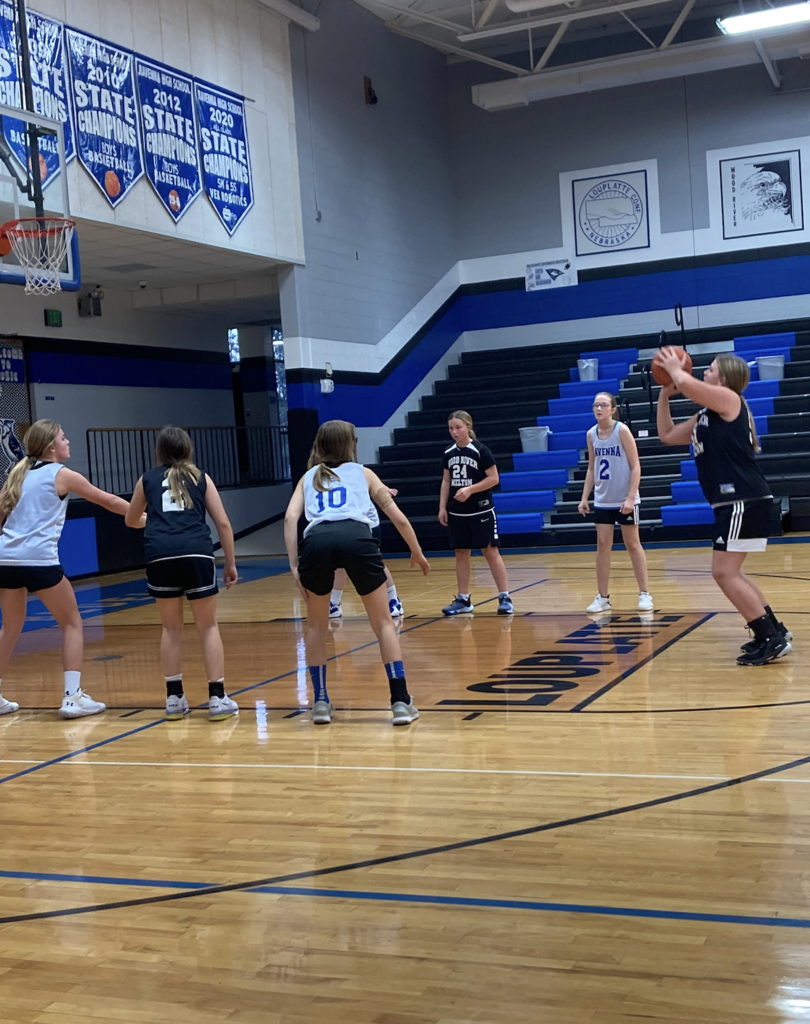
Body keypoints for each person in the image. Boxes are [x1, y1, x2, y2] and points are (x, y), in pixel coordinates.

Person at [284, 419, 430, 726]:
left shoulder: (308, 477)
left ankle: (321, 702)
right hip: (357, 539)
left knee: (316, 628)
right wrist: (416, 551)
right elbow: (399, 518)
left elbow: (289, 519)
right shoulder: (363, 472)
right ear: (351, 444)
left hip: (317, 542)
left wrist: (295, 565)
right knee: (383, 624)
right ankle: (401, 701)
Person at [656, 348, 790, 666]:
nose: (705, 372)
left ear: (724, 378)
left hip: (741, 499)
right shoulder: (706, 414)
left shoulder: (731, 400)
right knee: (731, 572)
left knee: (723, 572)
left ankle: (770, 637)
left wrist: (675, 369)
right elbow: (667, 435)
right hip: (738, 501)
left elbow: (688, 385)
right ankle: (772, 631)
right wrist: (664, 394)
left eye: (711, 369)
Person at [0, 419, 133, 718]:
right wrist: (144, 517)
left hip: (5, 559)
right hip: (39, 560)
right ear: (51, 447)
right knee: (72, 623)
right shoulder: (62, 474)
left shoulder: (16, 475)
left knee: (9, 628)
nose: (67, 441)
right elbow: (108, 500)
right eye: (63, 437)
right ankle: (72, 698)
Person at [125, 426, 240, 720]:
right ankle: (217, 698)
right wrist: (230, 562)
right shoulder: (200, 477)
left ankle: (174, 698)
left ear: (159, 451)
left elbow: (130, 519)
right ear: (187, 449)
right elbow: (223, 524)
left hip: (159, 554)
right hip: (195, 551)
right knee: (208, 626)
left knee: (171, 628)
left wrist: (156, 523)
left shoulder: (147, 479)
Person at [578, 392, 654, 613]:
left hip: (625, 499)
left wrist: (631, 497)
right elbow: (592, 468)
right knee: (603, 546)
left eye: (603, 405)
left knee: (632, 544)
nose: (598, 408)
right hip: (603, 500)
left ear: (612, 409)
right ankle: (603, 597)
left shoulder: (622, 430)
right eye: (595, 405)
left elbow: (636, 465)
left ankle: (645, 594)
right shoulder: (591, 434)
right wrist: (585, 497)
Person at [438, 410, 512, 615]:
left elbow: (494, 478)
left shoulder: (480, 450)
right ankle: (463, 599)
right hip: (457, 512)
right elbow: (446, 481)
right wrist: (442, 507)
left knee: (490, 551)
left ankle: (504, 596)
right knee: (461, 553)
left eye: (458, 427)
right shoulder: (448, 453)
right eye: (451, 428)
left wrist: (470, 489)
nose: (454, 432)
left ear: (468, 427)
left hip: (481, 510)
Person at [330, 490, 404, 619]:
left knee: (375, 562)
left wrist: (382, 488)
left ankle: (393, 600)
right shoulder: (325, 475)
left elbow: (372, 483)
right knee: (338, 563)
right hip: (343, 520)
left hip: (366, 521)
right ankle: (334, 604)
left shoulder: (357, 471)